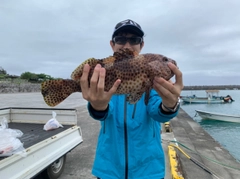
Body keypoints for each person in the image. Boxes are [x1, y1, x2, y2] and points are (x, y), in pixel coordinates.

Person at [80, 19, 183, 179]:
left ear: (141, 45)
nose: (127, 45)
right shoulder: (103, 73)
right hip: (108, 169)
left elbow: (158, 112)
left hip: (149, 170)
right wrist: (98, 106)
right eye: (120, 39)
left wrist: (170, 104)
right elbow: (103, 112)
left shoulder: (154, 82)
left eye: (134, 40)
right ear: (112, 44)